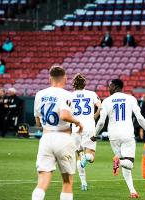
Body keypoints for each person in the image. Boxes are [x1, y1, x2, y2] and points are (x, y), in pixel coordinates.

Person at [92, 79, 145, 198]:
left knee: (125, 163)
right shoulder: (131, 99)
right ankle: (118, 161)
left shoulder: (107, 101)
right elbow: (139, 118)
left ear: (114, 86)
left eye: (110, 86)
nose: (108, 88)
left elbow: (101, 122)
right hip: (127, 134)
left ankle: (132, 191)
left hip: (113, 136)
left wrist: (95, 134)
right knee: (129, 163)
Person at [32, 65, 83, 200]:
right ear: (65, 78)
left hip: (46, 137)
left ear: (50, 78)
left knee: (42, 181)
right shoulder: (67, 95)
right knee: (67, 181)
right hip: (63, 138)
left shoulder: (40, 94)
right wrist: (78, 122)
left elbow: (37, 122)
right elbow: (64, 115)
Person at [70, 73, 101, 191]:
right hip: (89, 127)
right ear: (84, 84)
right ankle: (86, 157)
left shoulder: (71, 96)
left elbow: (66, 111)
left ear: (74, 84)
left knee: (79, 154)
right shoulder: (91, 94)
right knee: (91, 157)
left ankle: (84, 183)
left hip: (76, 128)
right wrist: (95, 115)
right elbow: (100, 106)